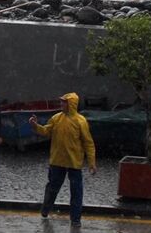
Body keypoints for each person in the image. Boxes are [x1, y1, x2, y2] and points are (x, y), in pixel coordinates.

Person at [30, 92, 97, 227]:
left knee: (76, 192)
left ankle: (75, 219)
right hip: (58, 161)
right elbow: (46, 131)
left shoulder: (80, 121)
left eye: (64, 102)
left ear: (71, 104)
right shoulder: (56, 118)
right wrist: (35, 126)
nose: (61, 104)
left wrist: (92, 163)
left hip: (74, 163)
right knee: (53, 188)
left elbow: (88, 143)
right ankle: (46, 209)